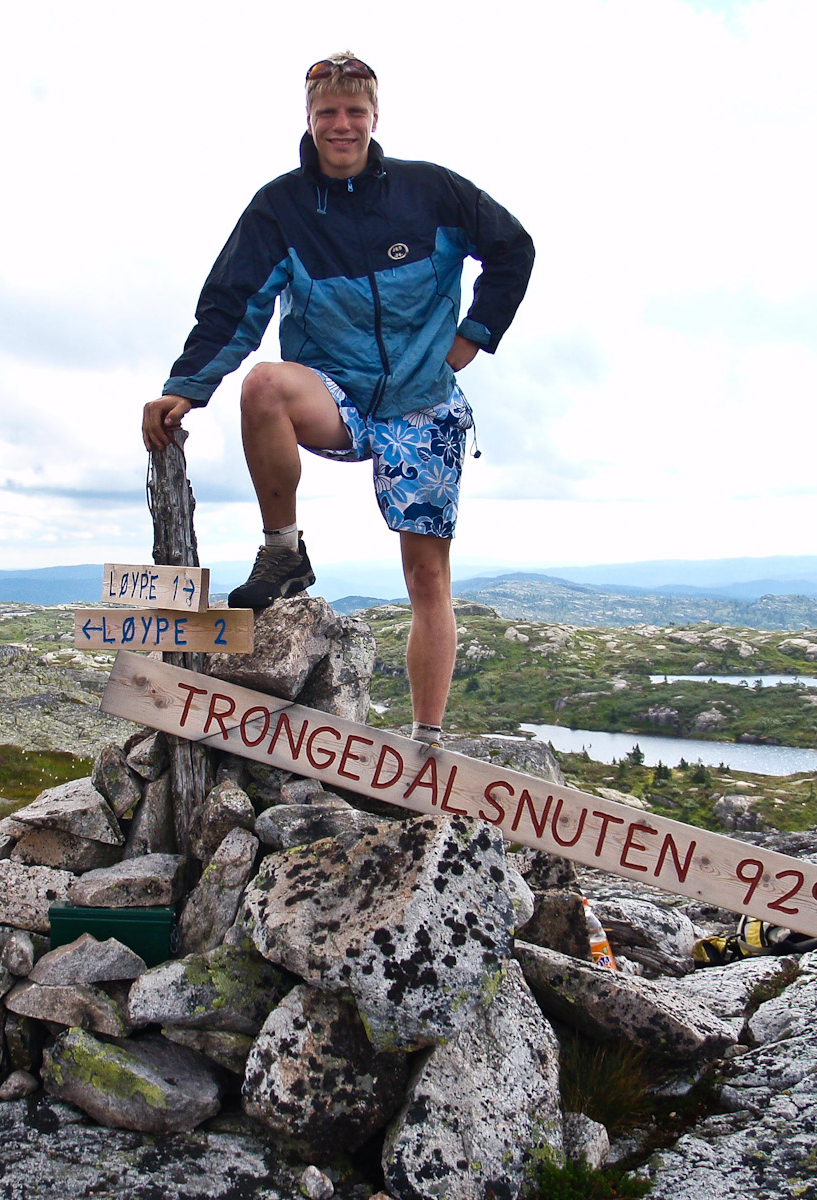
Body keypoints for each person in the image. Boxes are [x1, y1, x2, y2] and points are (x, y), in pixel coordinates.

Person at [142, 52, 533, 748]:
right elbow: (233, 303)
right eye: (328, 112)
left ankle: (426, 739)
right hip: (337, 392)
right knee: (264, 384)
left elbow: (513, 248)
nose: (342, 124)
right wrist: (186, 386)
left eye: (355, 110)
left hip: (423, 403)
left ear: (375, 116)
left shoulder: (431, 191)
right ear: (309, 118)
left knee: (427, 576)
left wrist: (474, 336)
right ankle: (282, 551)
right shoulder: (281, 208)